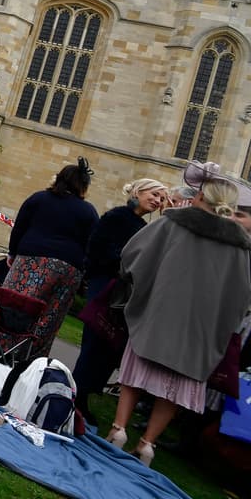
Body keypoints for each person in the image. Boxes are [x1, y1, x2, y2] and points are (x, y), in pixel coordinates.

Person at [107, 173, 251, 467]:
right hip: (202, 328)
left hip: (159, 312)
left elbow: (133, 254)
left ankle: (118, 430)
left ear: (200, 197)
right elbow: (243, 295)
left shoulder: (174, 222)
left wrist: (145, 284)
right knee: (176, 386)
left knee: (136, 374)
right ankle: (147, 445)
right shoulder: (241, 247)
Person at [72, 177, 168, 422]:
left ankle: (82, 395)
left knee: (106, 343)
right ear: (138, 191)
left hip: (120, 288)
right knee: (95, 339)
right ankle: (76, 395)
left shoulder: (141, 225)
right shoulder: (118, 216)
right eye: (153, 194)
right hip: (106, 284)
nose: (157, 201)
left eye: (160, 197)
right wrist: (125, 266)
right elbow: (99, 248)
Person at [0, 159, 99, 359]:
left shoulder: (39, 199)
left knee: (16, 303)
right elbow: (92, 245)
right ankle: (33, 356)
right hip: (69, 268)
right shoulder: (89, 211)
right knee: (50, 315)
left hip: (32, 259)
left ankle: (1, 346)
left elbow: (20, 227)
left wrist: (12, 252)